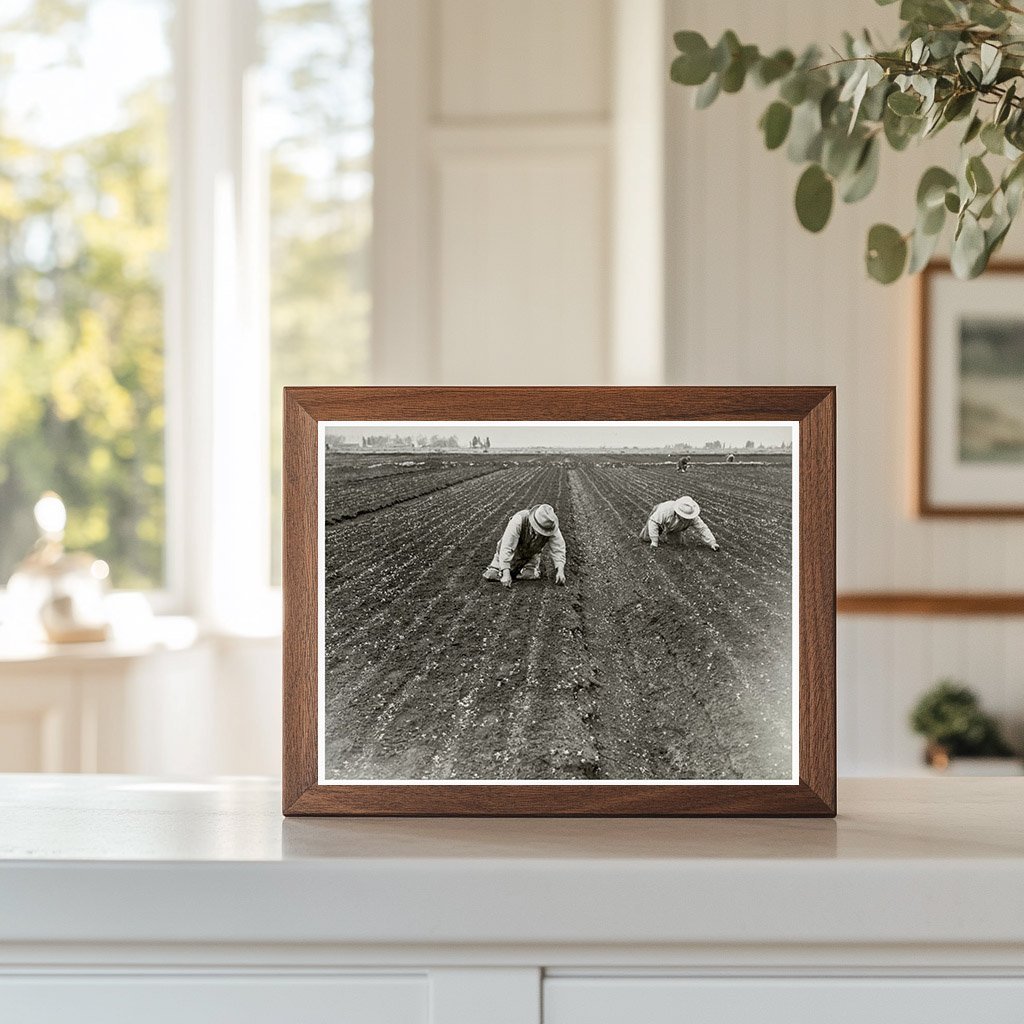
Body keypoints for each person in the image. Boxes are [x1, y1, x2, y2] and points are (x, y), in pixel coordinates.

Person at [483, 503, 566, 588]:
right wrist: (506, 573)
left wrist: (560, 571)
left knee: (528, 575)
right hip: (509, 554)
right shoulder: (519, 520)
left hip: (530, 557)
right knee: (492, 575)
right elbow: (507, 546)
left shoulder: (550, 526)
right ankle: (497, 567)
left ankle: (528, 568)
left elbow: (558, 549)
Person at [640, 495, 720, 551]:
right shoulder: (665, 510)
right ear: (678, 513)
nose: (686, 518)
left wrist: (712, 543)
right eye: (684, 516)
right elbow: (653, 522)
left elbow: (702, 528)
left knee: (676, 544)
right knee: (646, 538)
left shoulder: (693, 517)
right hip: (659, 518)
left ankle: (670, 533)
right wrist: (654, 542)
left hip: (675, 527)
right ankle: (651, 533)